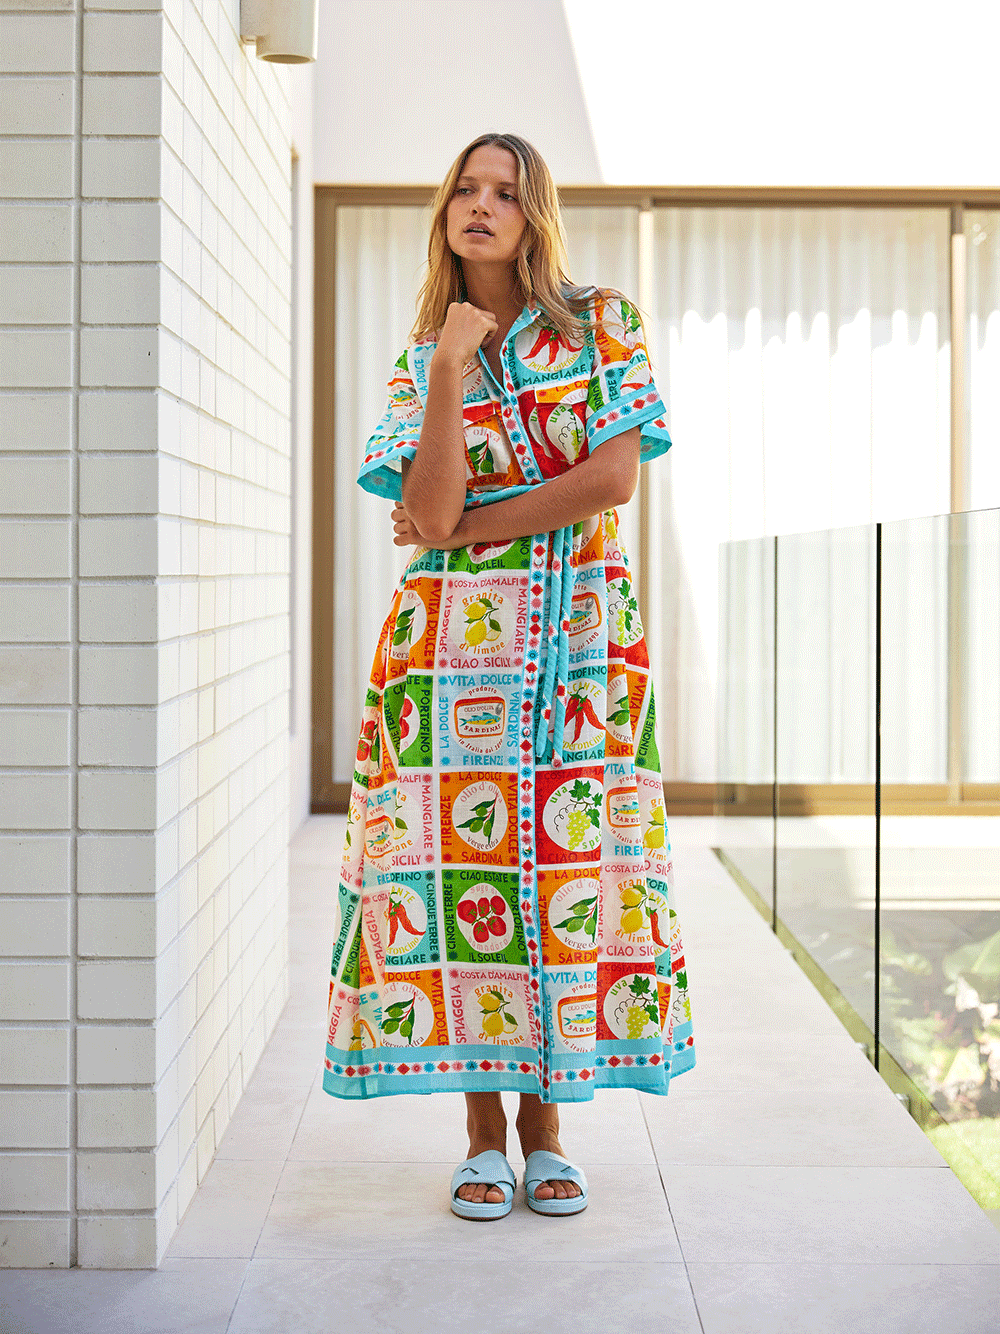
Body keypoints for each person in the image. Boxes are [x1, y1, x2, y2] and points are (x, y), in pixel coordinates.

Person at [322, 132, 695, 1220]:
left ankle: (550, 1128)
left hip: (580, 643)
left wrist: (465, 525)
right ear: (446, 210)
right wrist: (450, 364)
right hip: (447, 656)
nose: (481, 206)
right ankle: (484, 1135)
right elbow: (425, 511)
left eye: (506, 192)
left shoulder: (603, 323)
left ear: (536, 216)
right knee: (459, 879)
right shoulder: (421, 356)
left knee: (565, 871)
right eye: (466, 190)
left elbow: (611, 480)